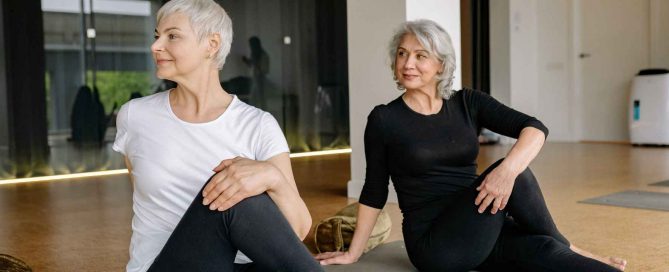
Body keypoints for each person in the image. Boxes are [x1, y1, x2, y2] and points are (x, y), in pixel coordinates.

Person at [315, 19, 627, 271]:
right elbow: (374, 189)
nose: (408, 63)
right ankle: (573, 246)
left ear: (440, 65)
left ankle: (575, 253)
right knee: (517, 178)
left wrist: (507, 170)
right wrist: (354, 254)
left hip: (479, 225)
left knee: (544, 246)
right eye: (402, 53)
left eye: (420, 55)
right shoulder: (385, 119)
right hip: (436, 244)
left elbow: (535, 128)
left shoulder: (467, 102)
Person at [112, 0, 323, 271]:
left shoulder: (258, 124)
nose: (155, 46)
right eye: (157, 36)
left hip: (240, 265)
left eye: (172, 36)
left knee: (245, 185)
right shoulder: (135, 116)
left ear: (211, 44)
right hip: (164, 264)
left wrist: (273, 178)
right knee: (234, 192)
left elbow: (296, 232)